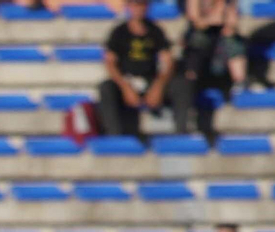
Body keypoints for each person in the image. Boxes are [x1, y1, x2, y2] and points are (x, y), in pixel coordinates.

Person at [97, 0, 183, 140]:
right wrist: (125, 87)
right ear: (129, 7)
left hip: (151, 81)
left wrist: (158, 86)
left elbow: (168, 61)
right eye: (135, 4)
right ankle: (114, 136)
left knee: (181, 84)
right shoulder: (119, 32)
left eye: (142, 4)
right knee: (106, 88)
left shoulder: (155, 31)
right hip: (127, 82)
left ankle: (181, 133)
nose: (139, 8)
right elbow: (110, 63)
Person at [176, 0, 248, 137]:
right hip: (200, 46)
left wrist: (220, 15)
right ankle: (191, 83)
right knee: (198, 41)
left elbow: (231, 25)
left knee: (232, 41)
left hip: (219, 47)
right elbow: (196, 21)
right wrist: (216, 16)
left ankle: (239, 84)